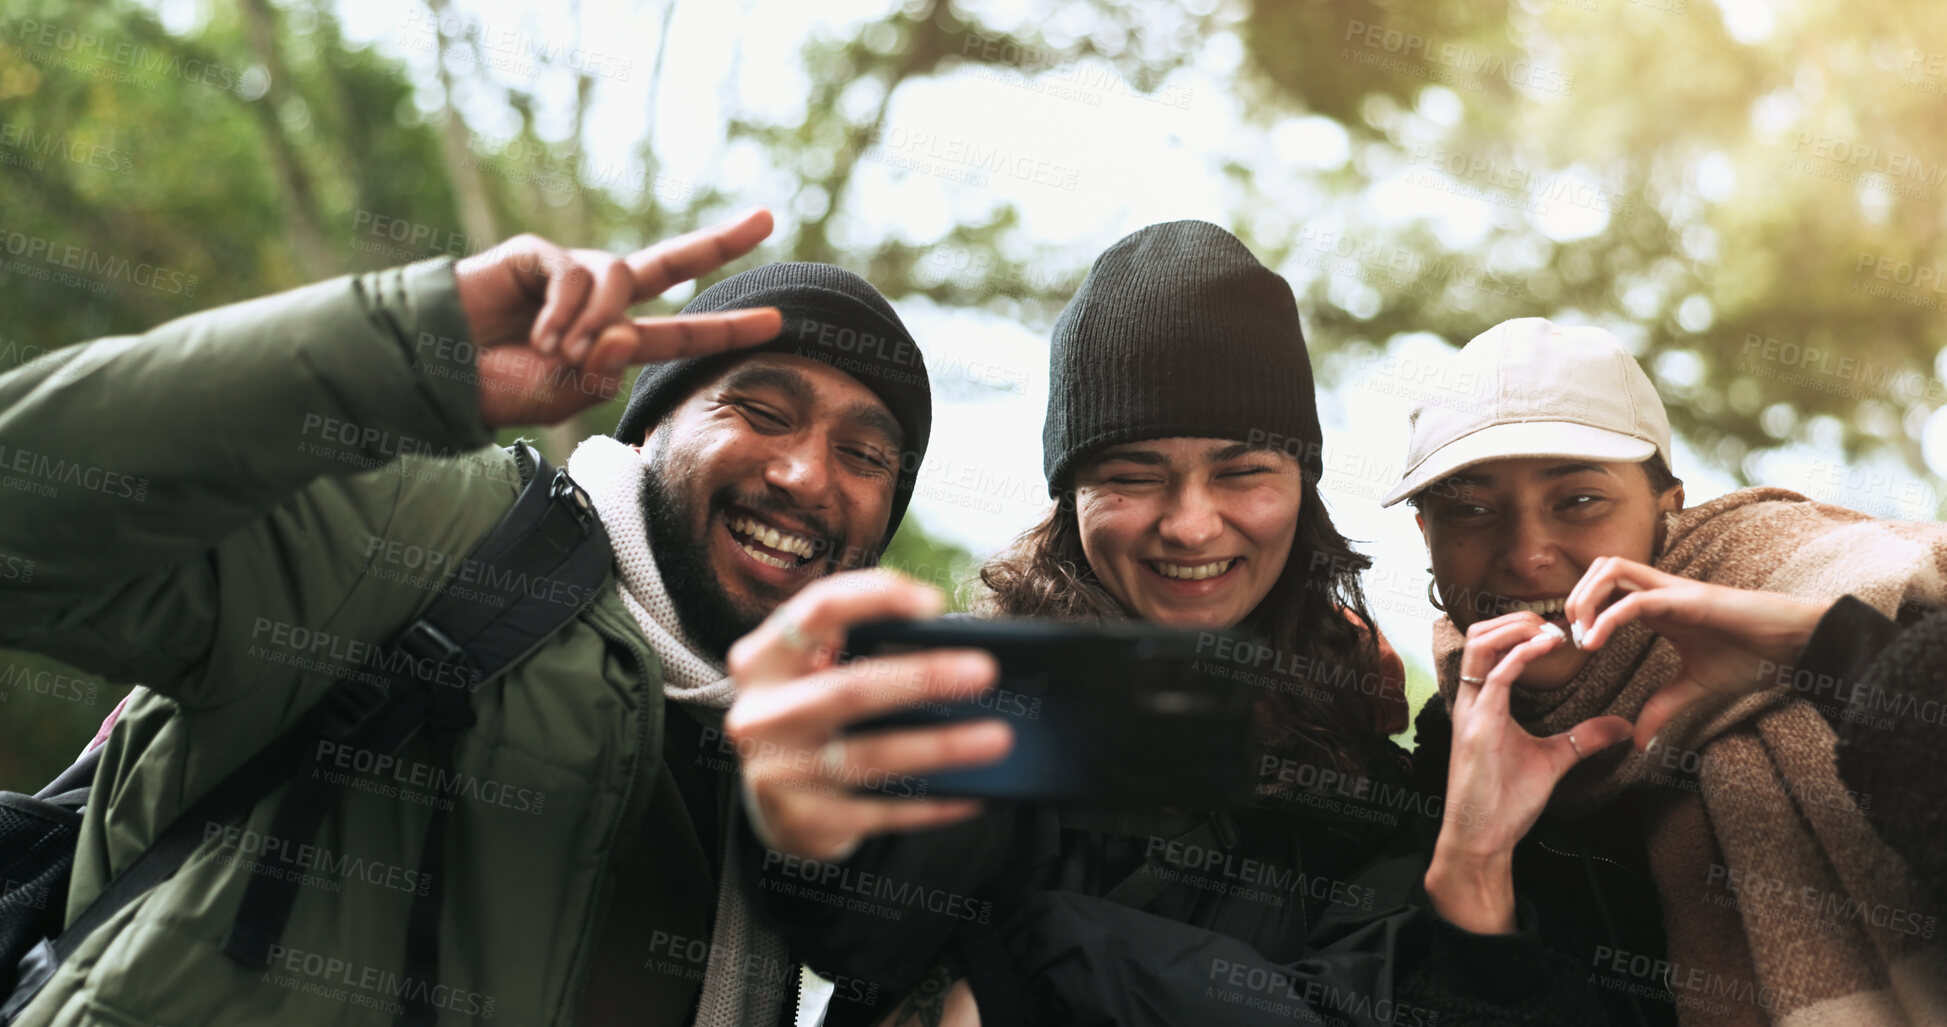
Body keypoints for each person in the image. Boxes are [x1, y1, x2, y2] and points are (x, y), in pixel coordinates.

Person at [0, 210, 935, 1026]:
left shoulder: (817, 767)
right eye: (762, 409)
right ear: (647, 429)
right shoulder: (423, 536)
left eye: (863, 455)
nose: (807, 475)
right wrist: (398, 349)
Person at [724, 221, 1502, 1027]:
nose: (1191, 526)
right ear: (1070, 500)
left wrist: (1031, 959)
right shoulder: (978, 710)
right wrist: (805, 836)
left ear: (1302, 487)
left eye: (1241, 473)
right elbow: (866, 929)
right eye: (1132, 474)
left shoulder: (1370, 770)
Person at [1381, 317, 1947, 1025]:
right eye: (1468, 508)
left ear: (1665, 507)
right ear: (1424, 535)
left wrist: (1821, 643)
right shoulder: (1441, 770)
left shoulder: (1868, 598)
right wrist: (1472, 873)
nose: (1526, 554)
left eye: (1579, 499)